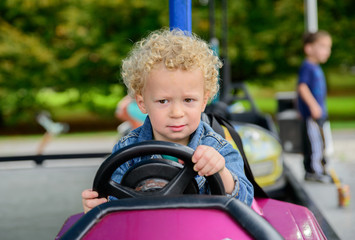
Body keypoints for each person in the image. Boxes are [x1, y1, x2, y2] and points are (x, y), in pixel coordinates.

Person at [82, 28, 254, 213]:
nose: (177, 112)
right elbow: (114, 204)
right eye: (163, 101)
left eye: (188, 100)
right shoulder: (127, 150)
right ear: (142, 103)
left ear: (204, 101)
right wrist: (99, 207)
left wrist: (221, 173)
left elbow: (245, 200)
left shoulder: (216, 148)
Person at [297, 30, 333, 183]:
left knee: (321, 142)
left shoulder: (316, 67)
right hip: (313, 115)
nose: (327, 51)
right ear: (309, 48)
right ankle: (314, 170)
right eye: (323, 46)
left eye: (329, 47)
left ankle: (320, 168)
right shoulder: (308, 66)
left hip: (319, 115)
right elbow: (302, 87)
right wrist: (313, 106)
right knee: (315, 143)